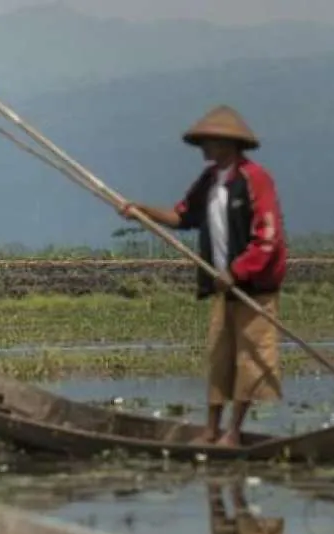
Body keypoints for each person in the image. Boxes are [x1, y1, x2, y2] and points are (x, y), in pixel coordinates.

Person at [118, 105, 287, 447]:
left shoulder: (255, 178)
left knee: (251, 357)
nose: (203, 149)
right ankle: (211, 430)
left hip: (253, 287)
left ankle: (234, 433)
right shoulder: (210, 181)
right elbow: (183, 216)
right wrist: (141, 212)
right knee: (219, 357)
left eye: (209, 142)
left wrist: (238, 271)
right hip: (222, 286)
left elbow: (268, 238)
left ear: (227, 143)